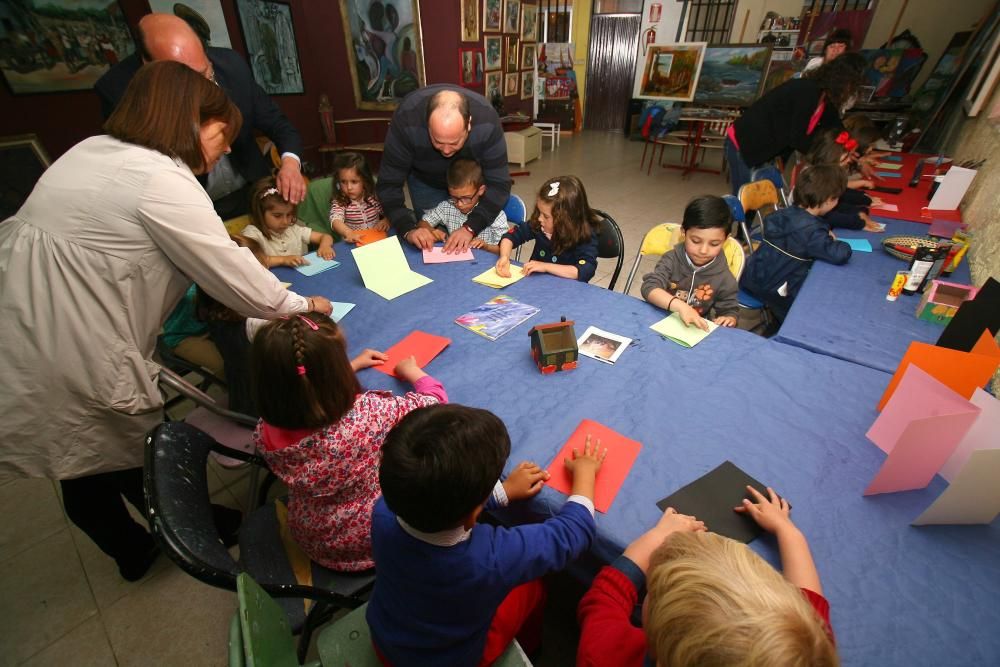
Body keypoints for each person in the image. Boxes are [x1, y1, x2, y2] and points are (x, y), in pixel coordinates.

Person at [0, 61, 333, 582]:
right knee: (84, 459)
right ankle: (144, 548)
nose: (225, 149)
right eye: (222, 135)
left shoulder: (91, 150)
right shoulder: (161, 179)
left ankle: (174, 524)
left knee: (110, 449)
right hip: (64, 341)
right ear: (187, 120)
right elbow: (234, 274)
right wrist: (302, 306)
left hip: (26, 321)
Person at [367, 404, 606, 666]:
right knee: (533, 588)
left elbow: (441, 508)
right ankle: (531, 649)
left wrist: (500, 493)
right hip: (451, 659)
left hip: (385, 640)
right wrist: (585, 475)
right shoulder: (490, 561)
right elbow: (573, 533)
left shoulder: (383, 512)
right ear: (472, 515)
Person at [250, 314, 445, 571]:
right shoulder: (366, 415)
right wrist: (414, 373)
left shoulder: (265, 428)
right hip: (371, 538)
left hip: (311, 533)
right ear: (334, 371)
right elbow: (433, 404)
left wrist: (350, 366)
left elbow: (302, 387)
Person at [576, 487, 837, 667]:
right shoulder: (802, 651)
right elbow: (809, 607)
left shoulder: (605, 656)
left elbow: (604, 599)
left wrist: (656, 537)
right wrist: (786, 529)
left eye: (655, 589)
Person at [94, 13, 306, 218]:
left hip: (252, 191)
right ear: (149, 66)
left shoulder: (233, 66)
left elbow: (279, 123)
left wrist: (290, 164)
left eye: (206, 72)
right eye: (189, 79)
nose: (202, 86)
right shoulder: (118, 91)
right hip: (194, 205)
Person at [376, 84, 511, 254]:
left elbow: (499, 185)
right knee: (429, 244)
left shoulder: (487, 121)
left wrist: (470, 228)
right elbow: (388, 186)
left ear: (469, 124)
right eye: (438, 141)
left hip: (468, 182)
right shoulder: (406, 119)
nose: (446, 151)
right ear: (427, 125)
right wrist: (409, 230)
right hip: (425, 180)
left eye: (454, 142)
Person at [725, 53, 866, 195]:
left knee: (756, 196)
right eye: (852, 86)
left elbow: (836, 126)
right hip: (745, 141)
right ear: (841, 81)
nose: (851, 91)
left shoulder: (823, 97)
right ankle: (736, 218)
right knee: (744, 198)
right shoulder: (807, 91)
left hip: (764, 144)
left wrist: (855, 151)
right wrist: (827, 157)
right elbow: (797, 137)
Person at [740, 164, 853, 323]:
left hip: (752, 276)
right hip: (778, 291)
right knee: (811, 311)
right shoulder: (813, 231)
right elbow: (839, 254)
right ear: (829, 201)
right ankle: (777, 330)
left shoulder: (780, 214)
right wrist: (836, 241)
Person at [640, 196, 739, 330]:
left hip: (694, 329)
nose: (703, 250)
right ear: (683, 232)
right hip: (660, 318)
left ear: (726, 239)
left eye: (714, 244)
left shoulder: (724, 277)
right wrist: (681, 307)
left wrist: (728, 318)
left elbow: (729, 310)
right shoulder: (671, 259)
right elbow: (649, 287)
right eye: (696, 241)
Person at [495, 176, 600, 283]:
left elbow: (585, 270)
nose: (539, 218)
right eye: (539, 212)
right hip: (537, 286)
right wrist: (504, 257)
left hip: (568, 292)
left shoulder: (584, 235)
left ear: (566, 219)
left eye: (546, 216)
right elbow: (510, 237)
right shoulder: (539, 224)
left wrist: (545, 267)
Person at [415, 158, 511, 254]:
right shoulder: (447, 207)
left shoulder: (495, 215)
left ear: (481, 190)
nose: (459, 204)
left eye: (466, 198)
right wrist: (431, 231)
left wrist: (486, 247)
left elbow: (504, 251)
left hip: (486, 263)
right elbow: (422, 223)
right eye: (454, 197)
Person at [240, 176, 335, 268]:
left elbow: (325, 237)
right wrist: (283, 260)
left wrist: (325, 246)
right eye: (277, 216)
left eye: (289, 214)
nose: (285, 222)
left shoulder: (293, 229)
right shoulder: (252, 233)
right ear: (260, 213)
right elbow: (251, 259)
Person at [801, 129, 883, 233]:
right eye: (845, 157)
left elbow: (836, 202)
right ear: (831, 158)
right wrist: (859, 222)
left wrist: (859, 212)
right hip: (810, 229)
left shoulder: (826, 172)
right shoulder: (814, 177)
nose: (849, 160)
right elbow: (827, 215)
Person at [329, 151, 389, 243]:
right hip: (354, 242)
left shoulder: (373, 196)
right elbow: (335, 220)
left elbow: (390, 211)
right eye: (343, 182)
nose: (349, 187)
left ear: (365, 180)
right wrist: (348, 232)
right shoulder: (340, 200)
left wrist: (386, 220)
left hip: (377, 238)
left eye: (354, 182)